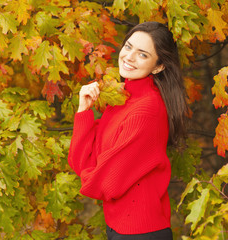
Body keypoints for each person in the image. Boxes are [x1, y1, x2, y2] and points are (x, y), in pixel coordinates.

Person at [68, 21, 188, 240]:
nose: (129, 57)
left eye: (142, 54)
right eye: (128, 46)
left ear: (158, 66)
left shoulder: (146, 111)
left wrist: (94, 173)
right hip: (118, 227)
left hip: (141, 231)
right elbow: (81, 161)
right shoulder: (122, 98)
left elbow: (105, 183)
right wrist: (84, 111)